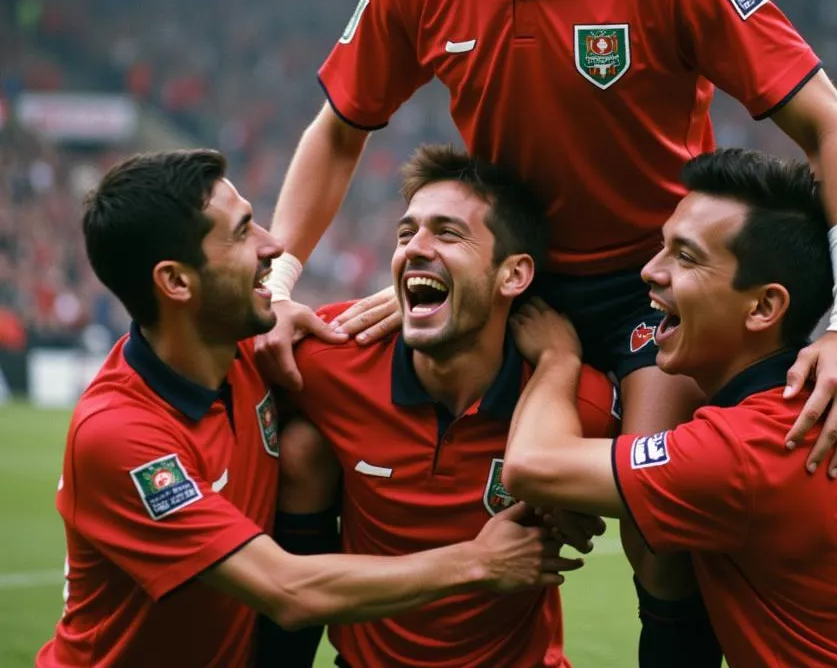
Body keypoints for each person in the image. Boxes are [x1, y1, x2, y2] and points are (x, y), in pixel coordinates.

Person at [260, 0, 837, 661]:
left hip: (650, 290)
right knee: (306, 446)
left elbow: (833, 128)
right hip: (509, 286)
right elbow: (338, 127)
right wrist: (278, 283)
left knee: (659, 530)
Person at [37, 150, 581, 668]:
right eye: (244, 232)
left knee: (303, 448)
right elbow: (286, 589)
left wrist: (441, 286)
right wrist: (479, 561)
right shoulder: (121, 435)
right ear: (176, 281)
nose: (274, 247)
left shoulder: (261, 354)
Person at [501, 148, 837, 668]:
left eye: (686, 256)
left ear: (764, 307)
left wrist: (558, 358)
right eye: (662, 246)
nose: (651, 272)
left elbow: (529, 466)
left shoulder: (739, 452)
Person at [262, 144, 619, 668]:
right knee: (300, 447)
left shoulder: (579, 405)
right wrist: (269, 309)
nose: (415, 248)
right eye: (406, 234)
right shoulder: (331, 356)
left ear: (514, 275)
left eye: (447, 233)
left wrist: (583, 500)